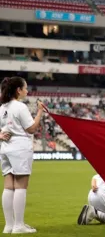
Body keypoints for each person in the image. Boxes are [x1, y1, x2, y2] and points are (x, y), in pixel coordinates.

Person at [0, 77, 44, 234]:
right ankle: (19, 225)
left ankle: (9, 225)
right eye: (25, 88)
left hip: (5, 148)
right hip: (19, 147)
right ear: (18, 90)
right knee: (20, 186)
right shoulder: (20, 106)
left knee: (8, 186)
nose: (27, 91)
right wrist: (40, 112)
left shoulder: (3, 107)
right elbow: (31, 129)